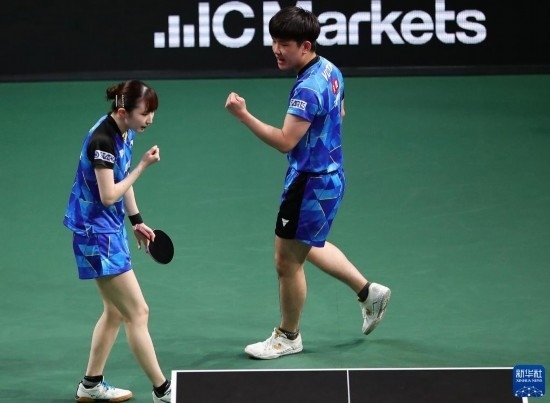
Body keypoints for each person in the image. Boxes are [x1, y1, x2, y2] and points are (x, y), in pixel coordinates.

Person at [225, 7, 391, 360]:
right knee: (308, 245)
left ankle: (288, 336)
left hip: (310, 183)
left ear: (305, 45)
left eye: (284, 44)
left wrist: (243, 116)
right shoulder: (329, 69)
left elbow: (285, 140)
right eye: (274, 41)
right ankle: (369, 293)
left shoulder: (308, 88)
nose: (276, 49)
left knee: (286, 262)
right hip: (330, 177)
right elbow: (340, 112)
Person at [63, 80, 171, 402]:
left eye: (152, 112)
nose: (150, 119)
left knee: (114, 311)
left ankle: (90, 385)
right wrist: (143, 166)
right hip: (96, 235)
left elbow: (120, 177)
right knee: (138, 312)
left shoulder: (125, 131)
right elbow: (110, 194)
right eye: (145, 113)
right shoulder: (103, 141)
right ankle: (162, 390)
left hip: (109, 229)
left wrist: (136, 221)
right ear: (123, 112)